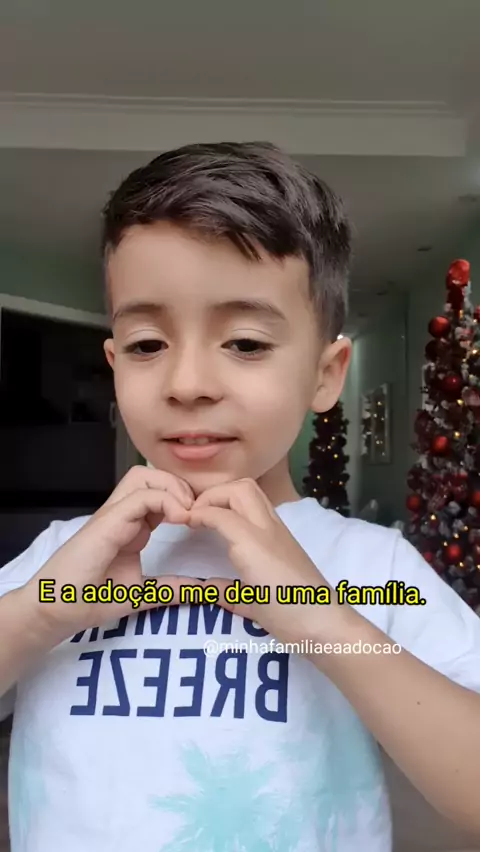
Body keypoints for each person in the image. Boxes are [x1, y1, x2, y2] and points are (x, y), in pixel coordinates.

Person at [1, 142, 479, 852]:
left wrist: (320, 616)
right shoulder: (59, 561)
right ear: (114, 363)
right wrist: (41, 613)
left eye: (247, 343)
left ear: (326, 374)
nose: (187, 383)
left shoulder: (373, 570)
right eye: (146, 344)